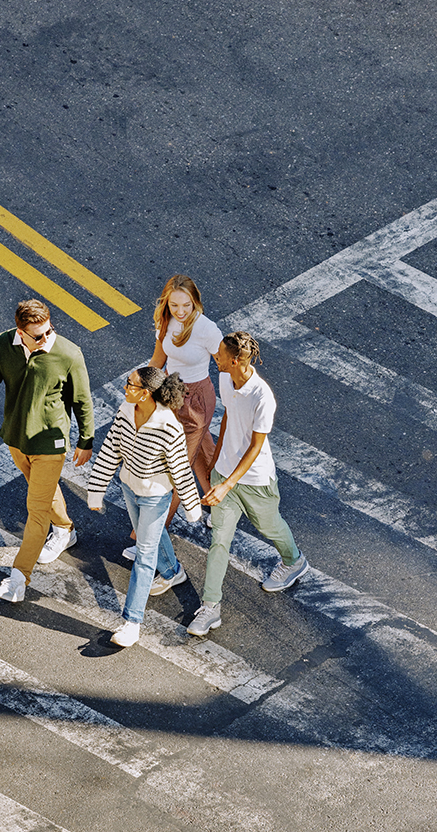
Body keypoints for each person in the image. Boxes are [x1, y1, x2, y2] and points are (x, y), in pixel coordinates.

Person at [0, 298, 93, 604]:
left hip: (51, 443)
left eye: (49, 331)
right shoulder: (2, 346)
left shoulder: (68, 353)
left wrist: (86, 440)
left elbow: (82, 401)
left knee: (36, 511)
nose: (46, 339)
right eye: (38, 335)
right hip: (16, 440)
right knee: (43, 492)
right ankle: (65, 529)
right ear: (20, 332)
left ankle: (18, 579)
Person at [186, 332, 308, 637]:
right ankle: (210, 607)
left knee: (270, 528)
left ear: (236, 360)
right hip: (226, 474)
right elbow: (228, 413)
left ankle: (294, 561)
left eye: (220, 356)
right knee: (219, 541)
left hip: (254, 481)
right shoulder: (228, 380)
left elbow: (255, 447)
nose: (215, 358)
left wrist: (227, 484)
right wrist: (216, 461)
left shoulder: (262, 396)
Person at [85, 365, 201, 647]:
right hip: (128, 486)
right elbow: (111, 449)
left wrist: (190, 505)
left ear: (147, 394)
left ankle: (131, 622)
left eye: (131, 385)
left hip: (155, 495)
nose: (125, 388)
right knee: (150, 533)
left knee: (145, 555)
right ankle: (173, 572)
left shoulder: (168, 426)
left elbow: (180, 470)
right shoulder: (126, 411)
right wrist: (96, 492)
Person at [121, 274, 221, 559]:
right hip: (170, 393)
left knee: (175, 467)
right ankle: (219, 500)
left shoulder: (206, 328)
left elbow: (224, 363)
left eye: (186, 305)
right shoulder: (165, 322)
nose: (180, 311)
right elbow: (157, 361)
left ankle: (146, 540)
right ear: (166, 303)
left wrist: (239, 399)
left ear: (195, 302)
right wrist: (141, 392)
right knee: (201, 452)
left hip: (197, 403)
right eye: (174, 305)